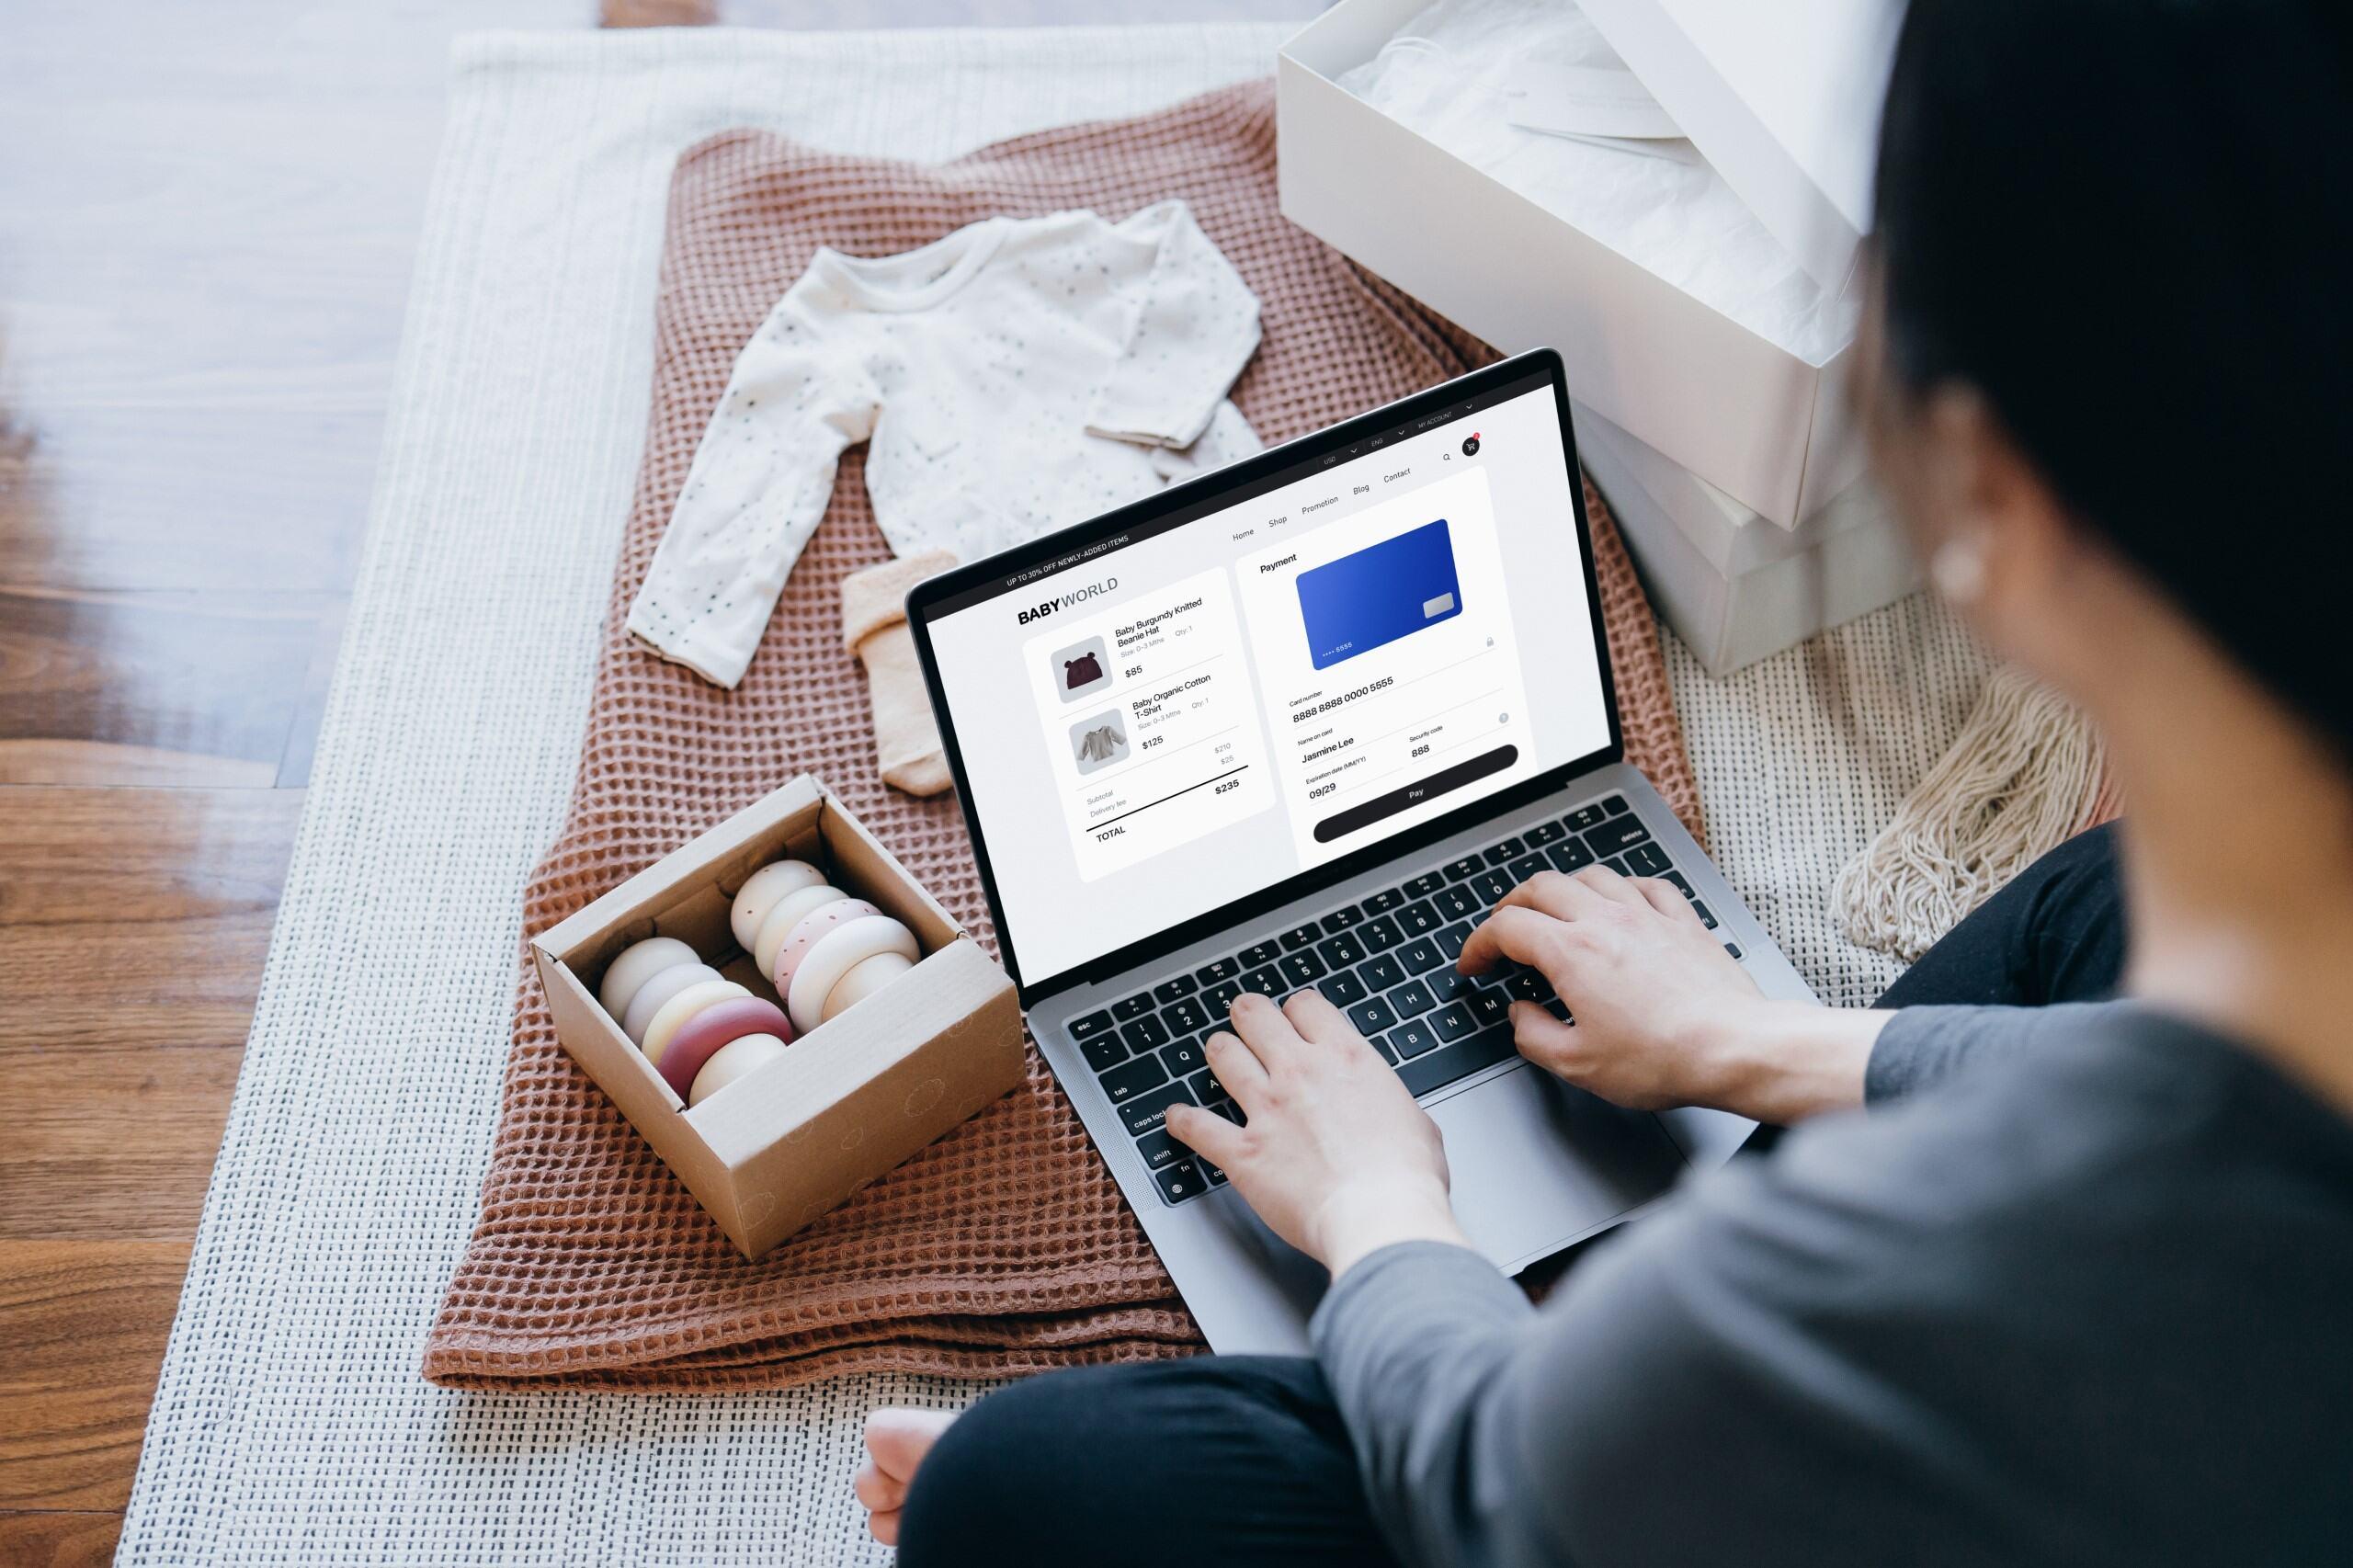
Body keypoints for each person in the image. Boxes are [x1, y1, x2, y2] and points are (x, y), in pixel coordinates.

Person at [854, 1, 2353, 1561]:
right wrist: (1746, 1038)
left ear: (1988, 500)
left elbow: (1506, 1473)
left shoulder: (1819, 1313)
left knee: (1015, 1489)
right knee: (2089, 910)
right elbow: (2119, 1073)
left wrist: (1383, 1211)